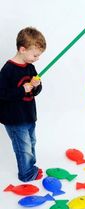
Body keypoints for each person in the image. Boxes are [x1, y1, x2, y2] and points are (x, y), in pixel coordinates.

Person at [0, 27, 46, 181]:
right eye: (35, 55)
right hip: (14, 118)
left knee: (31, 142)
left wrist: (36, 85)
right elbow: (2, 94)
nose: (37, 58)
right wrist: (22, 90)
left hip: (28, 115)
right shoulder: (8, 70)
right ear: (22, 49)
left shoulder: (30, 67)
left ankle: (30, 168)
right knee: (24, 147)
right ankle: (26, 174)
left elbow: (35, 91)